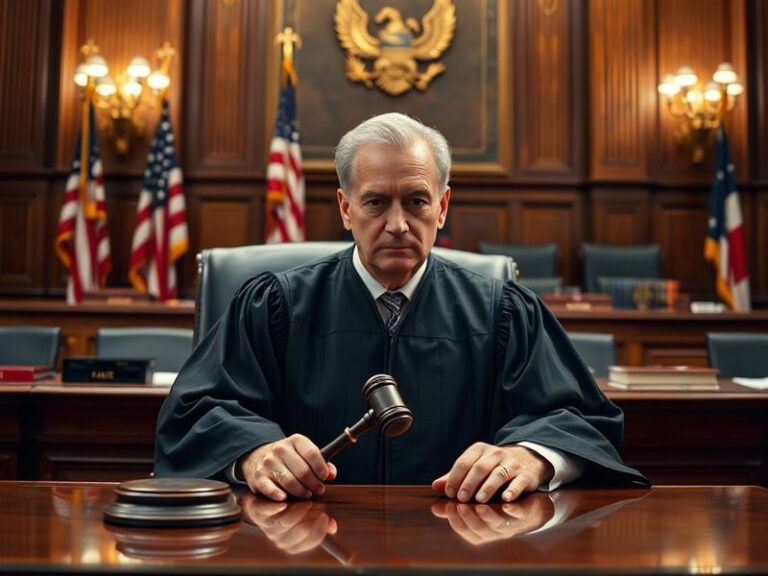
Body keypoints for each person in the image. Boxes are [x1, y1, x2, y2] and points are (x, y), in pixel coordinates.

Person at [155, 112, 648, 503]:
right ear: (346, 208)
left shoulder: (502, 312)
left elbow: (579, 418)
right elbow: (198, 410)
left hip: (464, 549)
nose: (397, 224)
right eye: (375, 203)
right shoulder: (275, 305)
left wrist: (532, 457)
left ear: (442, 206)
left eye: (416, 201)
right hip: (305, 548)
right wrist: (253, 452)